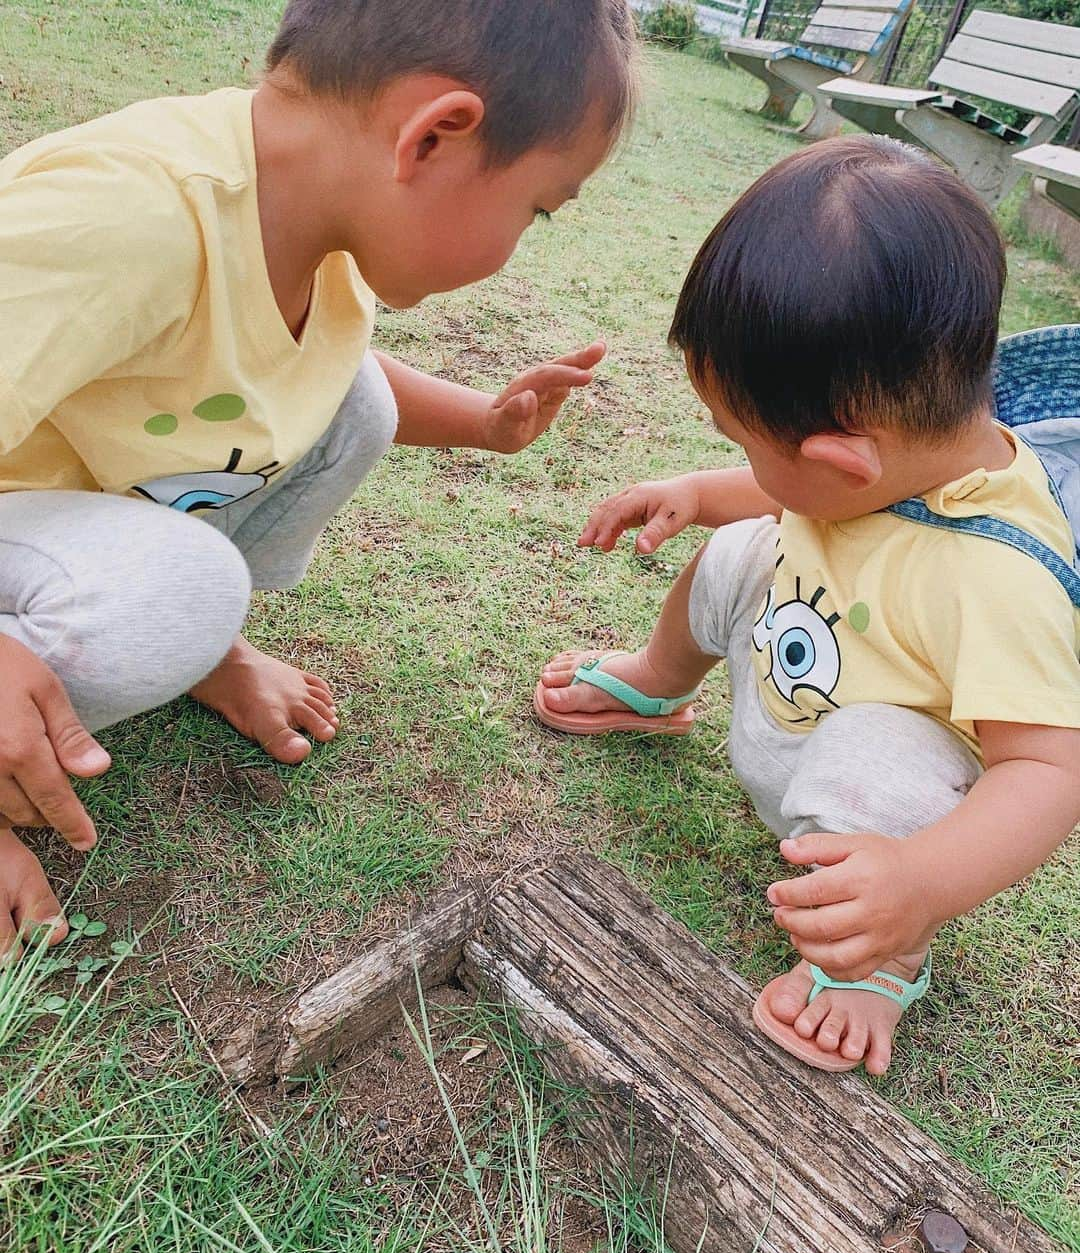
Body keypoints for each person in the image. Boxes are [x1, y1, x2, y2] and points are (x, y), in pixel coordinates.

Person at [0, 0, 638, 956]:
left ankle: (201, 654)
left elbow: (322, 369)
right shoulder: (127, 215)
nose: (524, 240)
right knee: (186, 589)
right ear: (434, 135)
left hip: (89, 513)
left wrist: (485, 425)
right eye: (538, 209)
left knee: (355, 412)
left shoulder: (307, 212)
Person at [535, 137, 1080, 1076]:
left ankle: (880, 963)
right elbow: (800, 494)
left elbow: (1047, 772)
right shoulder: (888, 460)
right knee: (737, 550)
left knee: (882, 765)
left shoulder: (1002, 578)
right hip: (809, 652)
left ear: (840, 460)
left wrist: (920, 882)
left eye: (745, 448)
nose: (745, 467)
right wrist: (705, 494)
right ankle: (656, 686)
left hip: (872, 769)